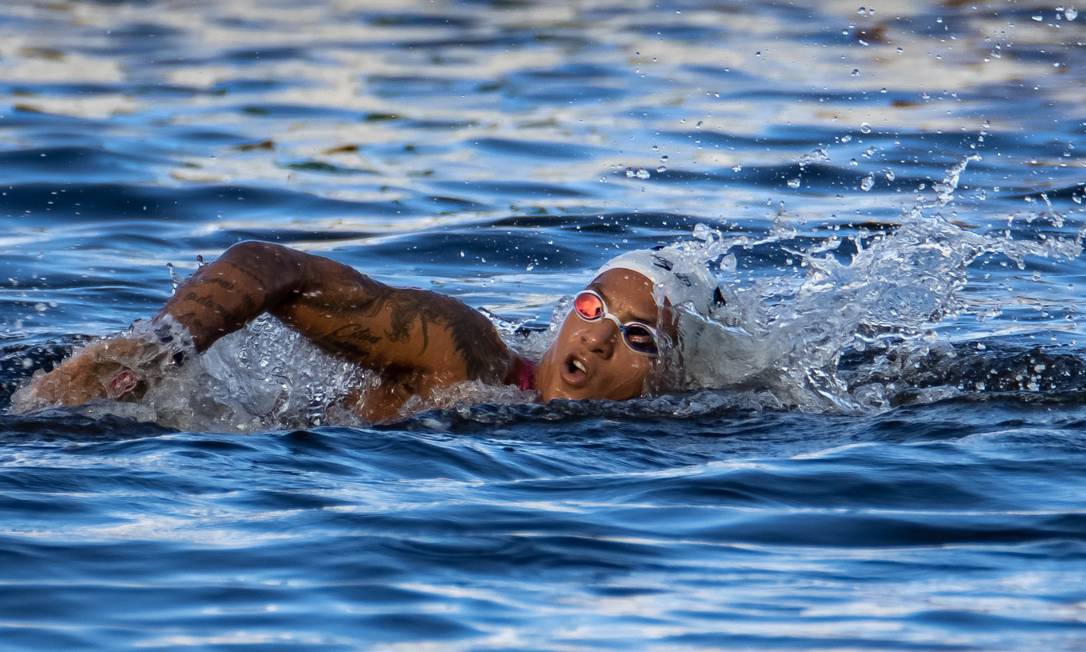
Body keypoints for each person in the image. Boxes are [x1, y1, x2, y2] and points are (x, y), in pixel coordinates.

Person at [14, 241, 722, 422]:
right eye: (593, 309)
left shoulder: (674, 442)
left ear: (673, 378)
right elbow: (268, 265)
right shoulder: (465, 357)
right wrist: (157, 352)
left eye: (640, 339)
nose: (597, 339)